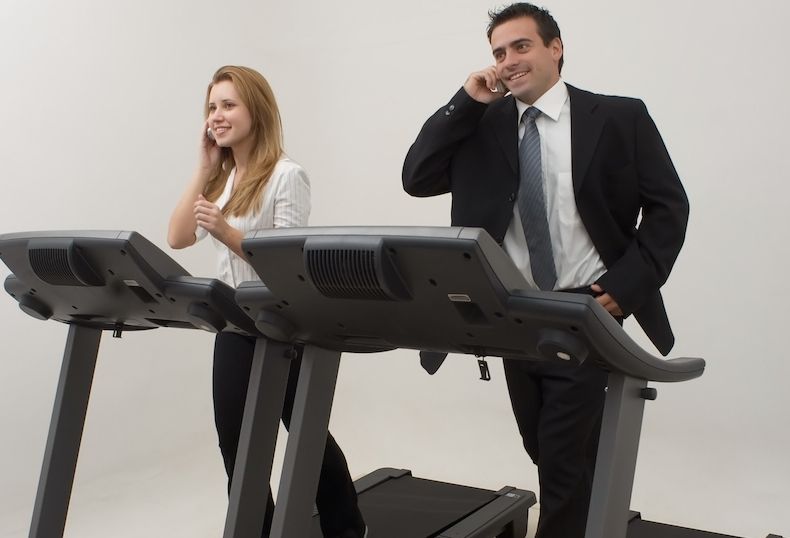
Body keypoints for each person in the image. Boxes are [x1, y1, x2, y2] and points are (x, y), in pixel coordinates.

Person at [402, 4, 689, 537]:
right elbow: (417, 176)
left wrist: (625, 288)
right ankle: (592, 514)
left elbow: (669, 208)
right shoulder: (481, 126)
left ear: (556, 47)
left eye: (521, 46)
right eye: (498, 52)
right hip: (512, 313)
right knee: (547, 447)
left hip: (586, 309)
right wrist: (465, 101)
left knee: (560, 459)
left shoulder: (620, 117)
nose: (508, 61)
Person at [168, 65, 367, 538]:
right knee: (235, 443)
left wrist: (226, 231)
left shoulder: (286, 175)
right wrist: (203, 167)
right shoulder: (221, 179)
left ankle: (347, 527)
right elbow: (176, 237)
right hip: (234, 325)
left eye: (229, 105)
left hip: (286, 325)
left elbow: (287, 263)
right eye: (212, 107)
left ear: (256, 110)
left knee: (306, 437)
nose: (217, 115)